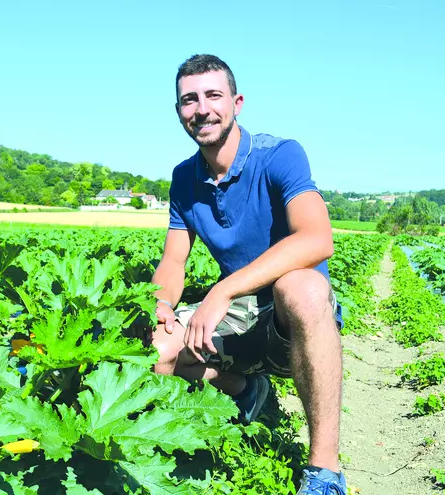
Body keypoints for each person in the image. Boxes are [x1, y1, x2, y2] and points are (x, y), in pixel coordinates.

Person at [150, 54, 347, 495]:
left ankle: (324, 472)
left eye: (213, 95)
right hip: (238, 314)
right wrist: (161, 304)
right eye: (189, 100)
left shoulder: (280, 155)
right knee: (158, 347)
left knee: (303, 287)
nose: (201, 108)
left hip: (290, 317)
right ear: (179, 111)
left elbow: (317, 239)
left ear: (236, 102)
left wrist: (224, 289)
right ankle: (243, 390)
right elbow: (173, 262)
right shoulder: (184, 179)